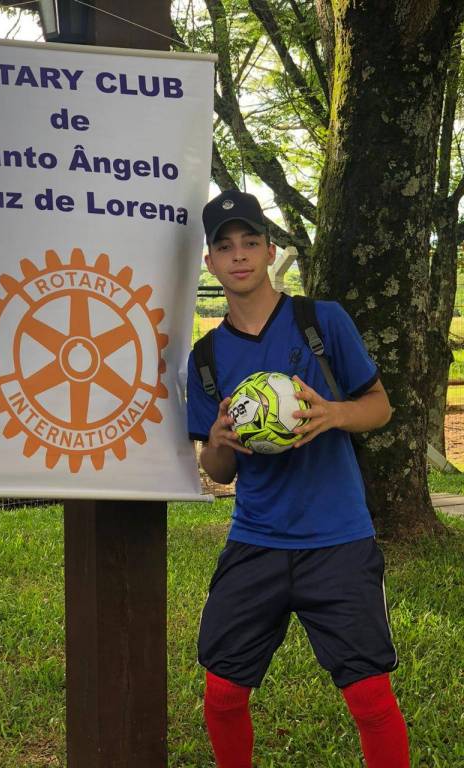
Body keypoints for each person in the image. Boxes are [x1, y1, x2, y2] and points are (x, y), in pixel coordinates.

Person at [186, 189, 410, 768]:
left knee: (369, 698)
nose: (239, 255)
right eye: (225, 247)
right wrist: (219, 442)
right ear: (210, 261)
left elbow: (380, 406)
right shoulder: (206, 357)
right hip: (256, 539)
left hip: (338, 539)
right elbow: (217, 471)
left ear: (269, 250)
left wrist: (333, 414)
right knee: (223, 692)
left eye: (250, 242)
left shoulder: (320, 321)